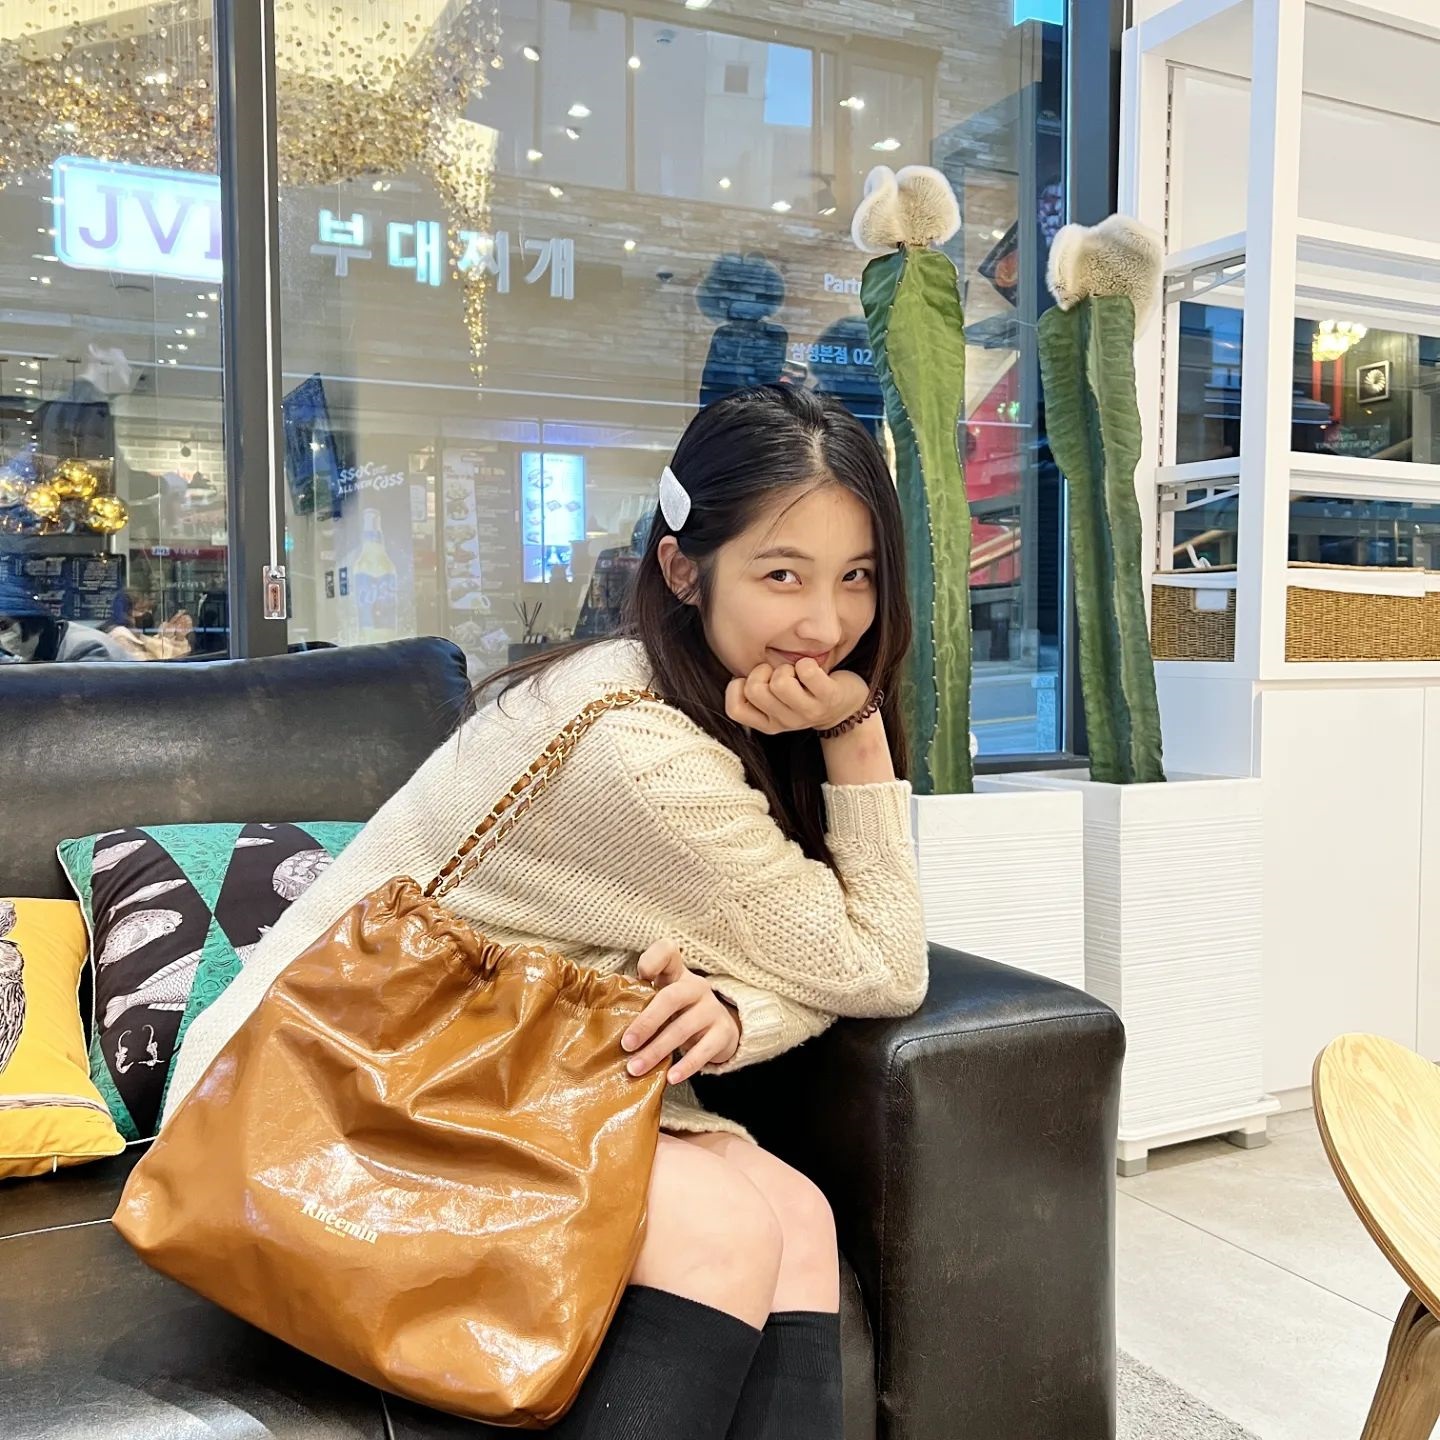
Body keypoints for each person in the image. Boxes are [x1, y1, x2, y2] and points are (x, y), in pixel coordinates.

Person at [164, 386, 928, 1438]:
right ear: (683, 569)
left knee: (798, 1217)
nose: (827, 624)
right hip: (299, 1103)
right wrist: (856, 733)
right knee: (722, 1229)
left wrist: (739, 1011)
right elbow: (883, 961)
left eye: (857, 577)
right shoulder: (644, 756)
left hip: (477, 1064)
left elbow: (819, 960)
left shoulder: (665, 683)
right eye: (782, 575)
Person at [0, 580, 131, 663]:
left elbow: (84, 699)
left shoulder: (86, 649)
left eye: (2, 626)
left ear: (30, 620)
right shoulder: (44, 645)